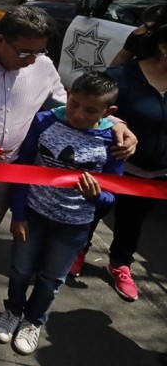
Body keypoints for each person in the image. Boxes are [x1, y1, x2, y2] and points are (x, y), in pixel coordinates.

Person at [0, 5, 136, 325]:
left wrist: (113, 121)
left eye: (40, 51)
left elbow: (66, 105)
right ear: (1, 39)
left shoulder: (42, 65)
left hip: (9, 168)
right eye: (25, 52)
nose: (32, 59)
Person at [0, 72, 124, 355]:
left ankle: (33, 320)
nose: (78, 114)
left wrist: (97, 196)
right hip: (33, 215)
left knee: (52, 278)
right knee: (20, 269)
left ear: (109, 112)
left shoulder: (113, 142)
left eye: (90, 110)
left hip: (74, 226)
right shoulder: (45, 121)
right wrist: (18, 213)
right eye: (74, 103)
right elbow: (22, 169)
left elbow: (114, 193)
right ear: (67, 94)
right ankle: (13, 310)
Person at [74, 22, 167, 301]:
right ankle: (77, 250)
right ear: (163, 48)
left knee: (132, 221)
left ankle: (120, 264)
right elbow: (91, 109)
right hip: (115, 168)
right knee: (92, 212)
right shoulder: (123, 76)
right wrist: (114, 121)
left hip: (157, 174)